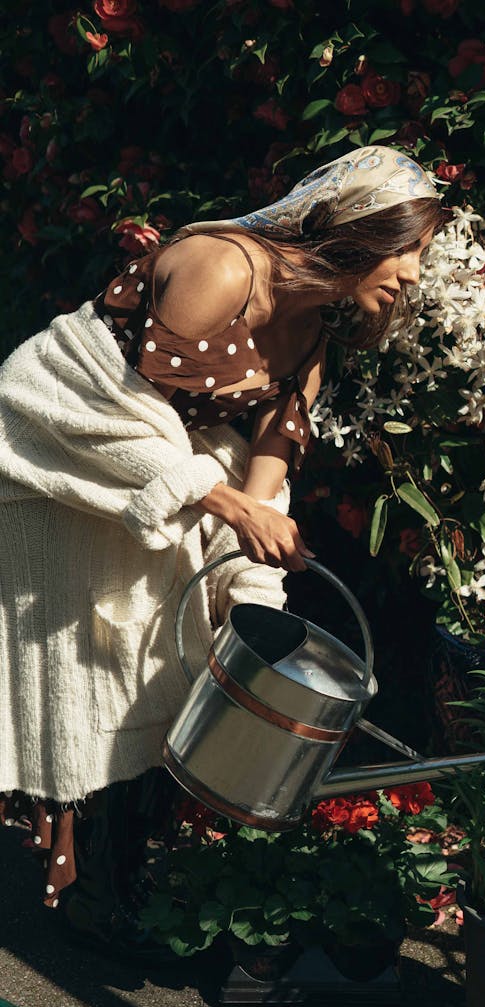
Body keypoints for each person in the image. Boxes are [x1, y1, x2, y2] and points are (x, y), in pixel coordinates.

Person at [0, 145, 444, 951]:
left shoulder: (310, 343)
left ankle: (110, 885)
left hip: (162, 493)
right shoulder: (225, 266)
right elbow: (120, 413)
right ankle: (87, 878)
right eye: (406, 246)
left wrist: (253, 598)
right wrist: (232, 503)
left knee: (159, 669)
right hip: (65, 467)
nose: (413, 272)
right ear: (356, 229)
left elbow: (262, 483)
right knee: (77, 668)